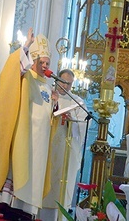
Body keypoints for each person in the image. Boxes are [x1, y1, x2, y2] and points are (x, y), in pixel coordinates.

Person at [0, 29, 59, 219]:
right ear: (32, 62)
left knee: (33, 184)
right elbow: (13, 69)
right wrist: (26, 46)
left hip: (39, 145)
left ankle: (28, 211)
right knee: (19, 180)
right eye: (40, 62)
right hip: (24, 139)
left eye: (47, 63)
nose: (43, 66)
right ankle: (14, 207)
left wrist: (55, 105)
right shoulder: (25, 77)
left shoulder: (48, 86)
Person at [40, 69, 88, 220]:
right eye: (64, 82)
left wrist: (71, 119)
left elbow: (84, 125)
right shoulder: (47, 95)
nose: (66, 86)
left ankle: (62, 216)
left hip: (68, 150)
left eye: (70, 84)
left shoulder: (78, 102)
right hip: (49, 147)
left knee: (63, 186)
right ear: (57, 80)